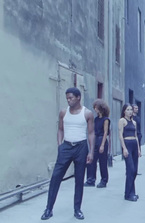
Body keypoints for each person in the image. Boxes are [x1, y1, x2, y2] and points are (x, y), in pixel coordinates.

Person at [41, 87, 94, 220]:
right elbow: (60, 129)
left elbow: (91, 133)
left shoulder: (87, 113)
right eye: (67, 98)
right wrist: (60, 145)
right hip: (66, 146)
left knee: (79, 179)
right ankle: (48, 209)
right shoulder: (63, 113)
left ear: (78, 98)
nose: (68, 100)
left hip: (81, 147)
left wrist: (91, 152)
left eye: (71, 98)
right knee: (56, 177)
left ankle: (77, 209)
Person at [84, 99, 110, 188]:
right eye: (94, 107)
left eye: (96, 107)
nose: (95, 109)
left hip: (102, 139)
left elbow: (106, 132)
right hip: (95, 140)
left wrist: (102, 145)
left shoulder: (106, 119)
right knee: (91, 160)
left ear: (101, 108)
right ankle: (91, 180)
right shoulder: (96, 119)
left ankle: (104, 181)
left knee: (103, 162)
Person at [119, 104, 141, 201]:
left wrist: (139, 149)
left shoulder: (134, 122)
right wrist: (124, 148)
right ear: (124, 111)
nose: (130, 111)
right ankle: (128, 194)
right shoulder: (122, 121)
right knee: (130, 169)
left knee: (135, 170)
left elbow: (136, 136)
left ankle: (132, 192)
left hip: (134, 145)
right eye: (128, 110)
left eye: (131, 110)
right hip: (127, 144)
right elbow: (120, 135)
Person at [132, 104, 142, 175]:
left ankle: (136, 170)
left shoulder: (138, 118)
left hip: (138, 135)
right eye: (135, 108)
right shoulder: (130, 118)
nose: (137, 109)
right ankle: (130, 170)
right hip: (132, 136)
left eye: (137, 108)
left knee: (137, 153)